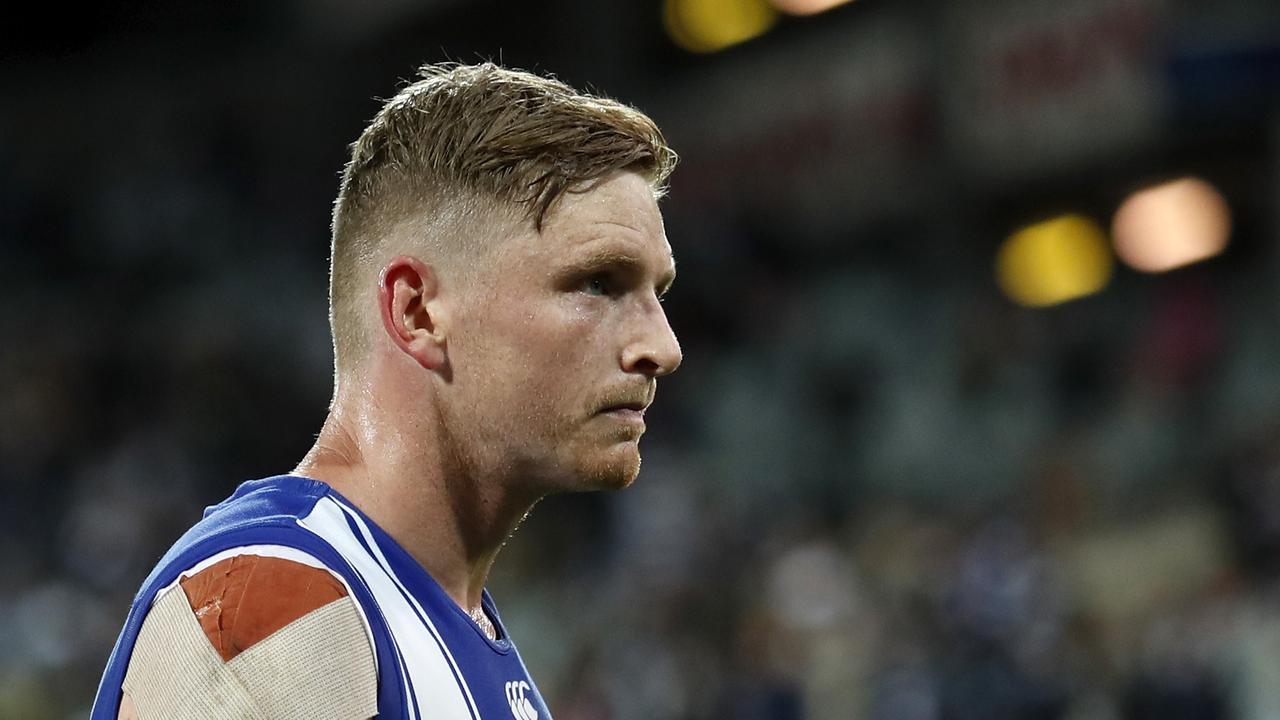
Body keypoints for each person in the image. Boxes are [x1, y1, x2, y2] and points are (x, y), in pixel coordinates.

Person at [90, 61, 682, 719]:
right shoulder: (275, 606)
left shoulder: (449, 623)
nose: (662, 347)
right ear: (418, 312)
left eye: (657, 294)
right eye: (597, 283)